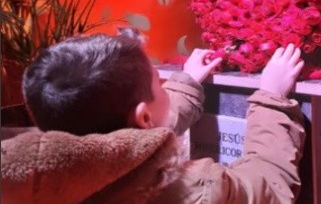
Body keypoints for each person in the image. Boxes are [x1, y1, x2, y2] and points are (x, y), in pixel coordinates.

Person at [1, 29, 305, 204]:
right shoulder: (195, 190)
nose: (162, 82)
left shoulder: (29, 181)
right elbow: (270, 186)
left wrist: (186, 83)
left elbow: (128, 141)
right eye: (157, 83)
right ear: (144, 118)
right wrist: (271, 98)